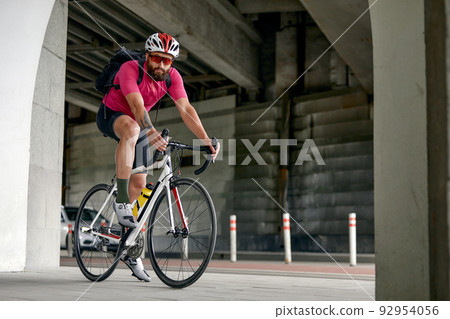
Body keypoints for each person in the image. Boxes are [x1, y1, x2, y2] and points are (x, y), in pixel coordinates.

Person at [96, 32, 220, 282]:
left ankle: (128, 247)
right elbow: (136, 105)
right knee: (132, 128)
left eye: (167, 60)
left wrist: (205, 139)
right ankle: (119, 199)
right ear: (147, 56)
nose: (161, 65)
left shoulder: (172, 77)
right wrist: (150, 131)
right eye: (156, 58)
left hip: (139, 125)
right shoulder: (131, 69)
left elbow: (186, 109)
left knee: (141, 185)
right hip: (112, 116)